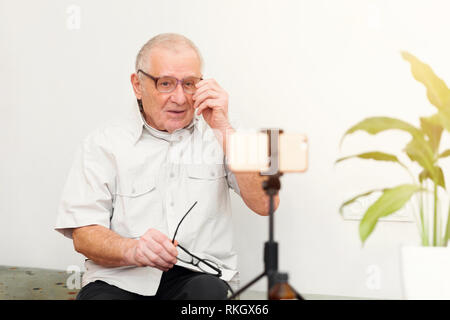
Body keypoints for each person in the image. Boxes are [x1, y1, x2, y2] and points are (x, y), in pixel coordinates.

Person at [55, 33, 280, 300]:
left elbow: (267, 203)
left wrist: (223, 127)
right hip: (120, 278)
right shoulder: (102, 144)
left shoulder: (227, 136)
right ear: (137, 85)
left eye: (189, 84)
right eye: (165, 84)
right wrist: (133, 249)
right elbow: (84, 234)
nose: (180, 97)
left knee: (207, 295)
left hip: (200, 277)